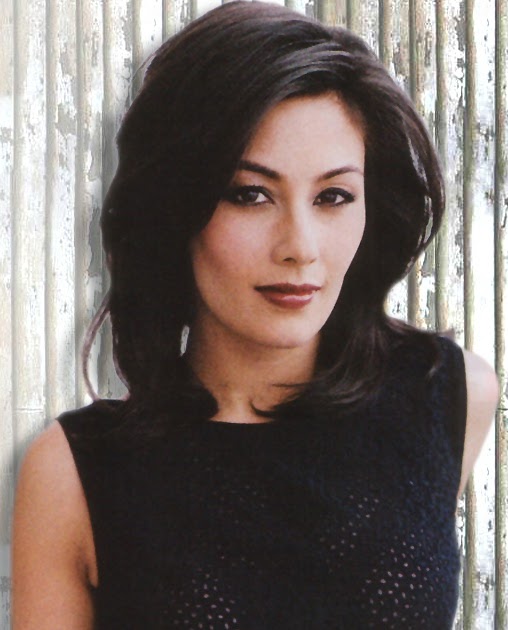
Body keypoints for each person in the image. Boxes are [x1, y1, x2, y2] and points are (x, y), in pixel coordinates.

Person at [12, 2, 498, 628]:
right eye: (250, 194)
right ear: (174, 207)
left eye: (333, 196)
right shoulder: (74, 472)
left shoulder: (451, 396)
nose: (300, 246)